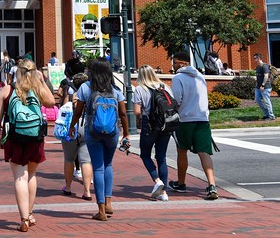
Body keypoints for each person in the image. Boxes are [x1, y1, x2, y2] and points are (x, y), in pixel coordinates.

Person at [0, 58, 55, 232]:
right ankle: (29, 213)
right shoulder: (37, 89)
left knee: (20, 176)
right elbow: (51, 102)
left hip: (14, 136)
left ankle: (24, 219)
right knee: (32, 175)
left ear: (17, 72)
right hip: (35, 136)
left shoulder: (7, 90)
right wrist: (41, 80)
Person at [68, 58, 130, 221]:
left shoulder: (85, 88)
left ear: (92, 72)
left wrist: (72, 126)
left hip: (92, 131)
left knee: (98, 168)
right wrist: (126, 133)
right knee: (108, 165)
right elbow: (123, 113)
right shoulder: (115, 89)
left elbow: (78, 111)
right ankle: (109, 203)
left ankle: (101, 210)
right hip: (112, 132)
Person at [168, 51, 218, 200]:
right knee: (204, 152)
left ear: (183, 63)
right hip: (202, 118)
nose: (173, 65)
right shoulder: (200, 77)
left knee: (182, 150)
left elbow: (176, 99)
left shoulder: (178, 78)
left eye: (175, 62)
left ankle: (181, 183)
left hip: (185, 120)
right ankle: (212, 185)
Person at [133, 65, 172, 202]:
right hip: (165, 125)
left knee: (145, 154)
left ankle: (157, 180)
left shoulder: (139, 89)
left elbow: (137, 111)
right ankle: (164, 192)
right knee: (161, 156)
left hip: (149, 124)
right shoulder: (164, 87)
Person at [59, 72, 93, 201]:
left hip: (71, 127)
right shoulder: (89, 92)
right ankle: (87, 191)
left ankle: (68, 187)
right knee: (86, 161)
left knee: (69, 159)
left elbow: (64, 109)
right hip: (86, 127)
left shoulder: (71, 93)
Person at [253, 53, 275, 121]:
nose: (254, 60)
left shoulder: (264, 66)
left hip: (265, 87)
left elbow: (266, 76)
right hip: (258, 87)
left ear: (259, 58)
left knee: (267, 101)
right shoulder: (258, 67)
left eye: (255, 58)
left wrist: (263, 85)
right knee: (257, 100)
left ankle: (271, 116)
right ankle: (266, 114)